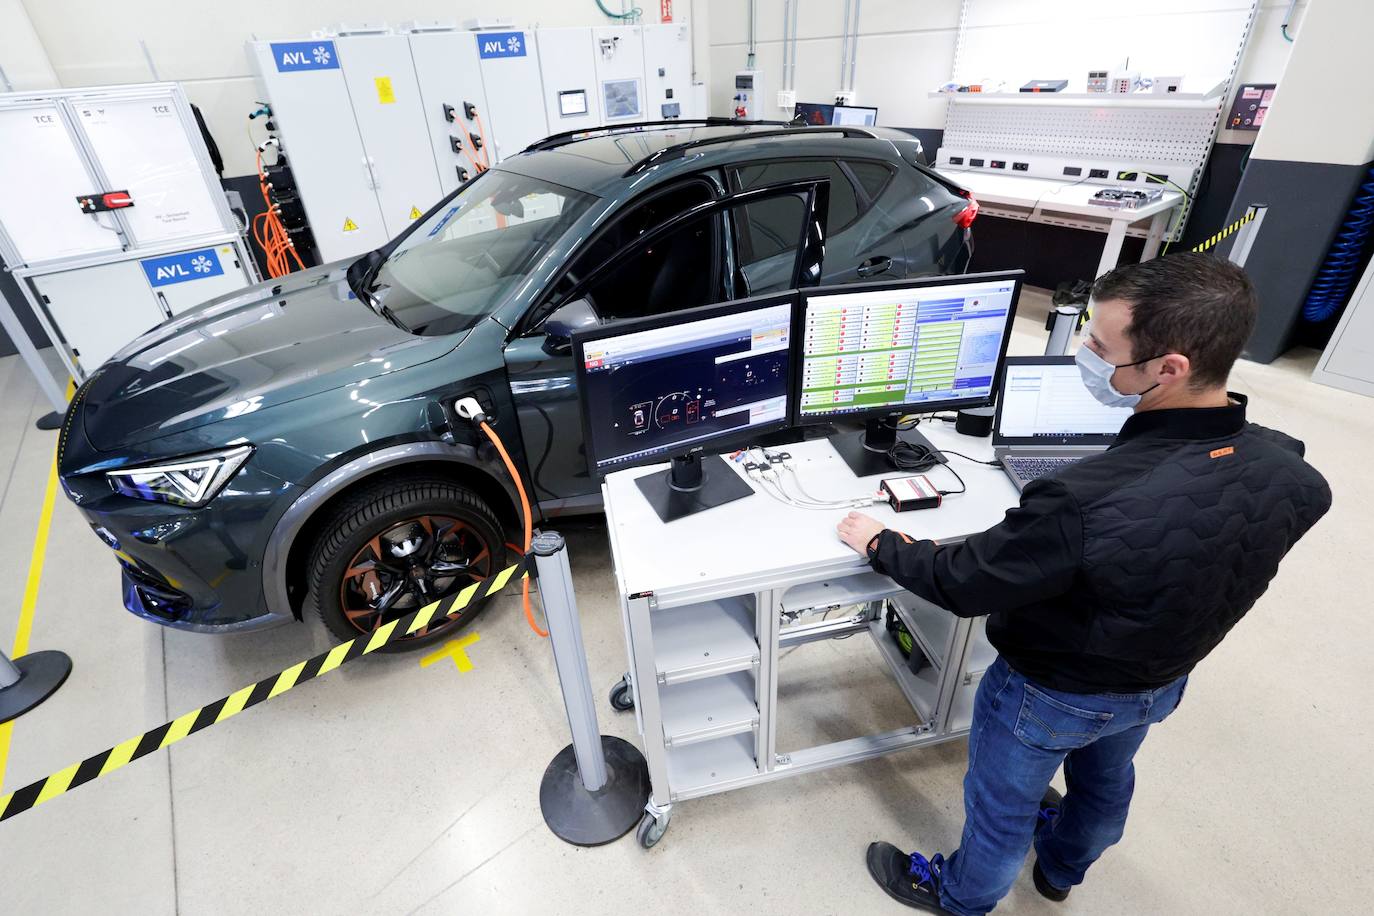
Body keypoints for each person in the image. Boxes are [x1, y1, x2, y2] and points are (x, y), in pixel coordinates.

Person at [836, 252, 1331, 914]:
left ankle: (961, 895)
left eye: (1101, 347)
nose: (1083, 357)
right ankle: (1062, 870)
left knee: (1001, 807)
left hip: (1052, 691)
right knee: (1104, 781)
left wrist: (880, 542)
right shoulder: (1293, 472)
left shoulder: (1080, 499)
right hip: (1160, 680)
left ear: (1170, 368)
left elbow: (965, 582)